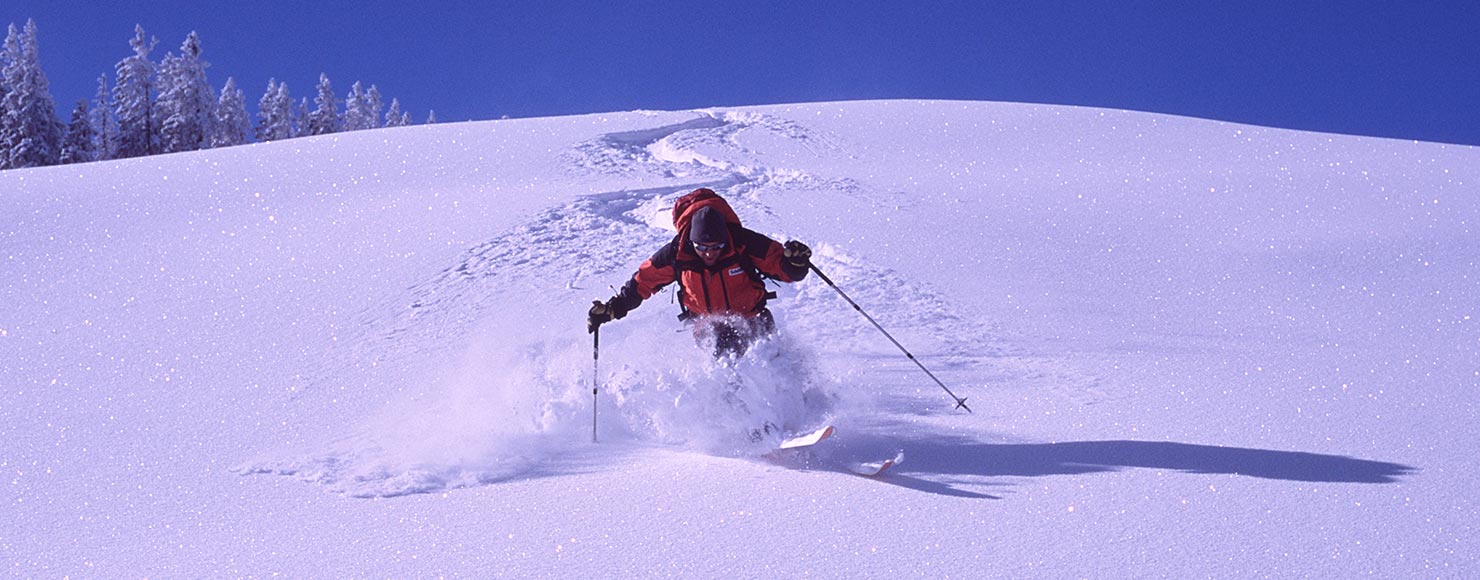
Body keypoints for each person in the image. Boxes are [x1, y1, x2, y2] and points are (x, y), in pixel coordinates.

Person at [587, 188, 812, 357]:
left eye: (716, 247)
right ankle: (740, 416)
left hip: (753, 317)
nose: (709, 254)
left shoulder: (743, 241)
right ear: (692, 241)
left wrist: (796, 263)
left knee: (772, 359)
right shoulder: (676, 253)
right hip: (709, 327)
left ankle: (796, 407)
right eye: (702, 248)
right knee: (727, 351)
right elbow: (643, 282)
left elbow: (784, 269)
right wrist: (612, 309)